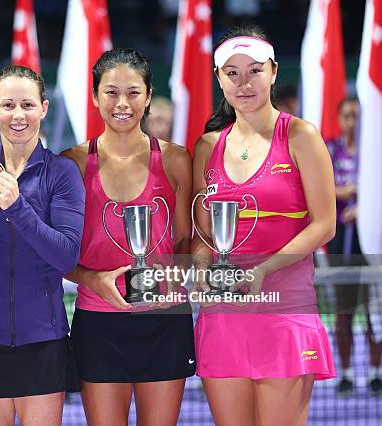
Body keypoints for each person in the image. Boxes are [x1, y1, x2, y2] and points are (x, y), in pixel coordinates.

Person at [191, 24, 336, 425]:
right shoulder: (207, 146)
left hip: (285, 311)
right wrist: (204, 273)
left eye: (254, 70)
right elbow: (203, 236)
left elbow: (324, 224)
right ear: (219, 79)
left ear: (273, 72)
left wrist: (262, 270)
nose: (244, 82)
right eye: (232, 73)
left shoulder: (302, 136)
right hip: (223, 316)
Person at [62, 47, 195, 425]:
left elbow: (184, 242)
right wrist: (93, 280)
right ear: (94, 97)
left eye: (133, 92)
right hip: (98, 324)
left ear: (149, 96)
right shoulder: (70, 162)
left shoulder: (176, 159)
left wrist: (183, 270)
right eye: (111, 92)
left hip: (165, 321)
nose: (122, 103)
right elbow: (60, 253)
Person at [0, 65, 85, 426]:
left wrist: (17, 206)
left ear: (44, 109)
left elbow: (65, 256)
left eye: (28, 105)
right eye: (9, 105)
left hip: (43, 342)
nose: (18, 115)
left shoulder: (61, 173)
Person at [326, 97, 382, 396]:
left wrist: (366, 207)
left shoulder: (375, 151)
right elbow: (320, 185)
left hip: (371, 239)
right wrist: (349, 191)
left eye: (357, 116)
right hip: (340, 242)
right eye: (347, 115)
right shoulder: (329, 148)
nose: (353, 121)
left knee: (375, 307)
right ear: (338, 118)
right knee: (344, 308)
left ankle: (376, 372)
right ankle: (344, 373)